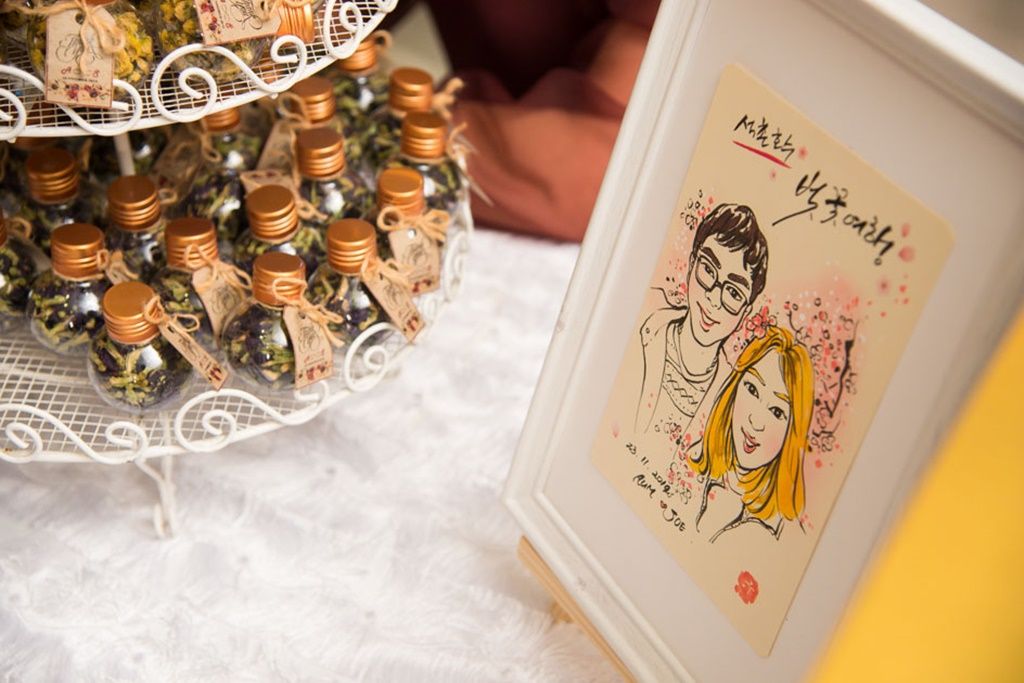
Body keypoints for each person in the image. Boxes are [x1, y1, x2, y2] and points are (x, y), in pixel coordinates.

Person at [635, 204, 769, 446]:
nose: (713, 298)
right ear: (692, 263)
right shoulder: (647, 326)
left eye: (733, 293)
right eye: (708, 269)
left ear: (746, 311)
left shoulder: (730, 394)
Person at [689, 325, 813, 542]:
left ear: (793, 432)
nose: (756, 421)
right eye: (752, 390)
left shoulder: (779, 531)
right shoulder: (694, 461)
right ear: (735, 386)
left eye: (776, 411)